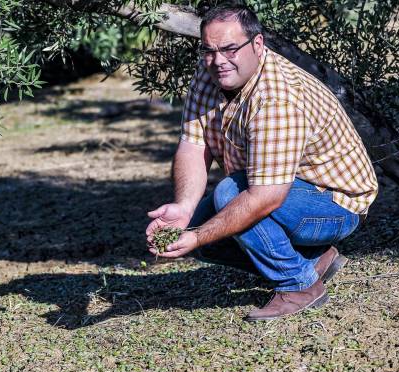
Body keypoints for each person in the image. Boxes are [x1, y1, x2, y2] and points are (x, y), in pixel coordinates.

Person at [145, 3, 378, 321]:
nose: (218, 61)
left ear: (257, 44)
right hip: (285, 192)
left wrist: (197, 235)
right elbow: (192, 144)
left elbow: (264, 197)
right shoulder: (211, 71)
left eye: (229, 49)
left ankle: (299, 285)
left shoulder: (276, 99)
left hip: (335, 206)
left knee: (229, 195)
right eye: (209, 51)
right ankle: (311, 261)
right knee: (204, 229)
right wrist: (184, 209)